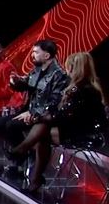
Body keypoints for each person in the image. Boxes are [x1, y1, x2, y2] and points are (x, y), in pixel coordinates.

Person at [6, 52, 108, 192]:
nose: (66, 70)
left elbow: (65, 116)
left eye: (68, 67)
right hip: (74, 128)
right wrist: (39, 116)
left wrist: (38, 118)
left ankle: (24, 156)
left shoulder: (86, 90)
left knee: (43, 130)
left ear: (75, 69)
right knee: (43, 130)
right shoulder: (77, 87)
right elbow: (59, 112)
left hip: (86, 134)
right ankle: (32, 172)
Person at [0, 40, 68, 175]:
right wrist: (15, 82)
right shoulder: (36, 70)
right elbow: (25, 84)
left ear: (46, 55)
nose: (32, 55)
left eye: (36, 52)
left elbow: (54, 102)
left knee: (11, 125)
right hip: (28, 110)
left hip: (43, 115)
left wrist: (33, 113)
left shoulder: (59, 75)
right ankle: (25, 155)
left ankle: (21, 157)